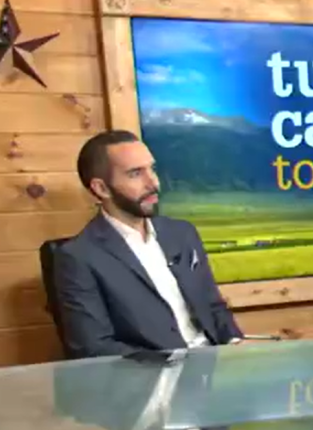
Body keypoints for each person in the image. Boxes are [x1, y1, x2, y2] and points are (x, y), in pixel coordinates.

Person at [54, 130, 243, 359]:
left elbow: (212, 307)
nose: (153, 183)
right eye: (135, 174)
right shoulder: (79, 257)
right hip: (152, 373)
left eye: (152, 169)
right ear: (101, 188)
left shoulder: (182, 233)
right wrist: (173, 363)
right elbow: (93, 347)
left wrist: (235, 343)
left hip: (213, 365)